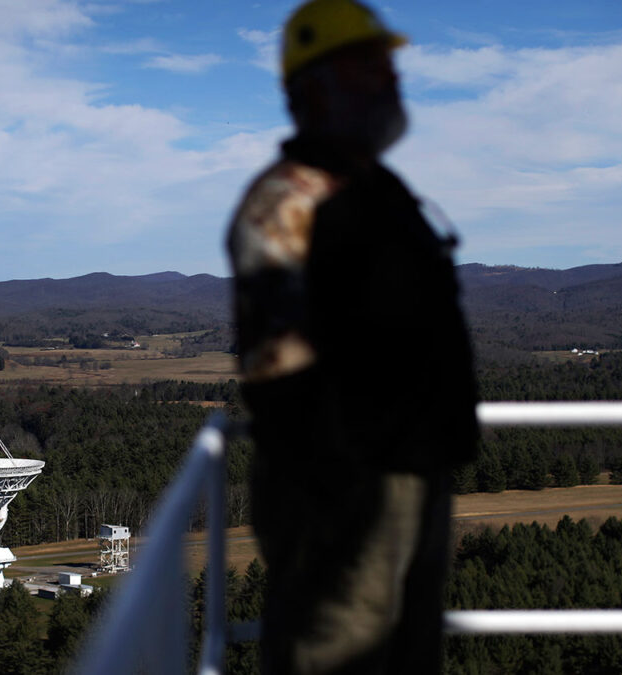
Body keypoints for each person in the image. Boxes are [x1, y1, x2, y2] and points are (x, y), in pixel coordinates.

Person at [225, 0, 479, 672]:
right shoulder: (287, 200)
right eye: (369, 64)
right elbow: (281, 374)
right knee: (338, 655)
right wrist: (340, 502)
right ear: (314, 87)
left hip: (410, 478)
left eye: (388, 63)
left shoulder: (376, 189)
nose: (392, 78)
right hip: (345, 500)